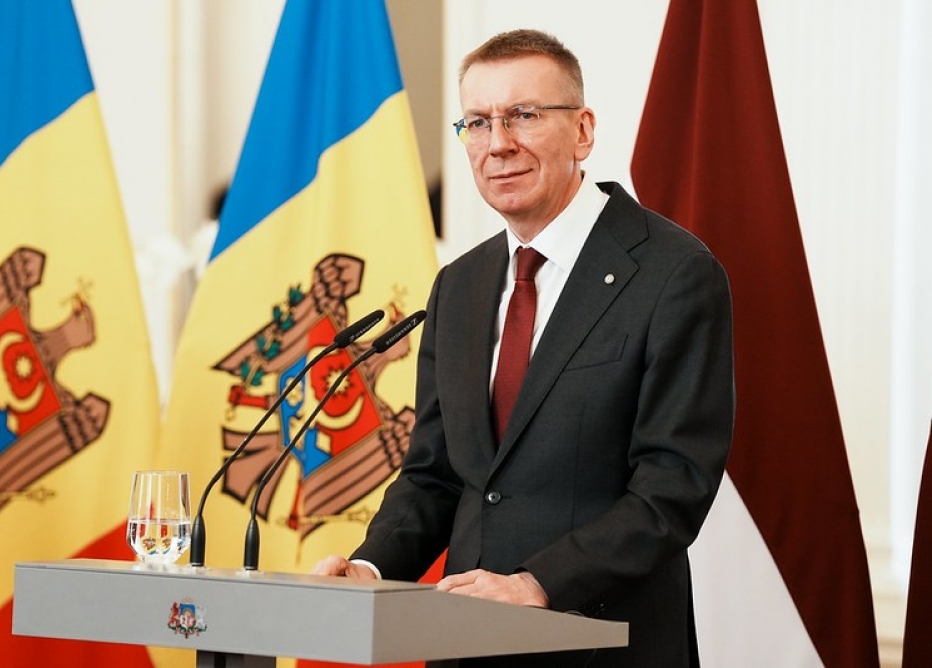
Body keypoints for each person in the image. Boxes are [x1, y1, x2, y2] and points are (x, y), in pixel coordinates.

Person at [313, 28, 734, 668]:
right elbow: (434, 474)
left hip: (603, 644)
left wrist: (538, 583)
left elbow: (674, 485)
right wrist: (370, 569)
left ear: (583, 131)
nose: (498, 143)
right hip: (464, 642)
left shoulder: (674, 273)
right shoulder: (459, 284)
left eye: (524, 116)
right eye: (478, 123)